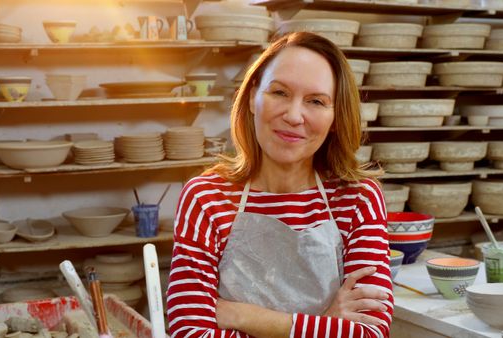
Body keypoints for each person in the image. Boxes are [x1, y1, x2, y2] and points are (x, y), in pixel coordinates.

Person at [166, 31, 393, 338]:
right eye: (280, 93)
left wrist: (243, 315)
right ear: (251, 99)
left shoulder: (357, 199)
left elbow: (370, 334)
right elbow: (190, 334)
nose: (294, 115)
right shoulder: (207, 198)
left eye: (315, 101)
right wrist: (327, 320)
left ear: (335, 118)